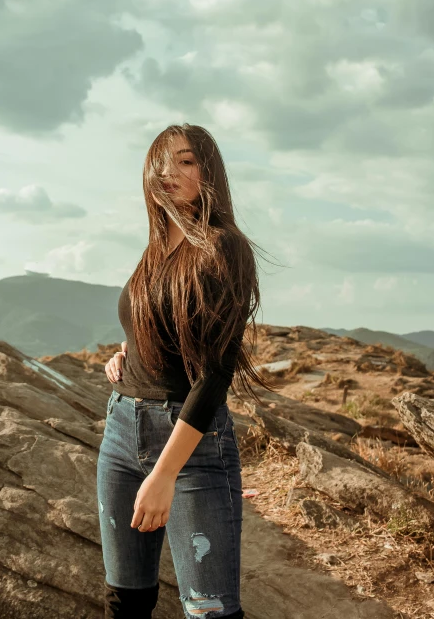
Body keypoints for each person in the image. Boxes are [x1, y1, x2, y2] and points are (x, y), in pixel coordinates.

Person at [97, 123, 278, 618]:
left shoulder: (224, 248)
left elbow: (214, 376)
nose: (168, 172)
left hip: (190, 445)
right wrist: (126, 353)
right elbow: (152, 321)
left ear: (209, 173)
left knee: (210, 610)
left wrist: (164, 473)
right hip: (120, 432)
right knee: (125, 599)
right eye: (160, 162)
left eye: (185, 161)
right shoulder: (155, 250)